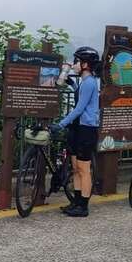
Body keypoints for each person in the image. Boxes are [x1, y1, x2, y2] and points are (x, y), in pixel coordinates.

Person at [50, 46, 101, 217]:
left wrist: (61, 124)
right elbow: (80, 95)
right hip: (78, 128)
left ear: (85, 64)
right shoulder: (84, 82)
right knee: (76, 167)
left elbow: (79, 109)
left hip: (87, 128)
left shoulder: (90, 82)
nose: (74, 65)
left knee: (84, 168)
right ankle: (76, 201)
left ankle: (83, 206)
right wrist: (71, 83)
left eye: (77, 61)